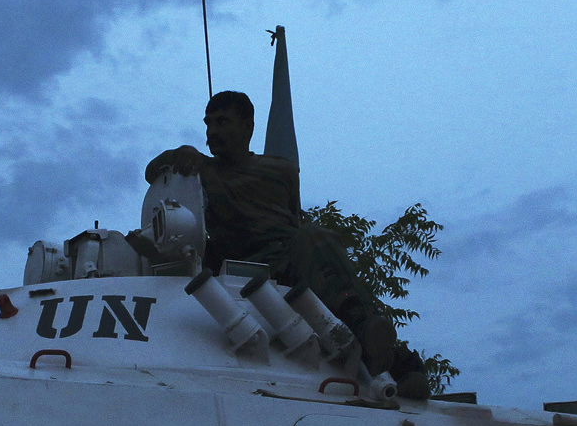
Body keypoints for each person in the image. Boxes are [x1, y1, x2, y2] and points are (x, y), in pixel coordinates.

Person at [146, 92, 425, 392]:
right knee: (310, 241)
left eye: (223, 122)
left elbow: (292, 218)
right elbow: (153, 173)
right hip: (245, 265)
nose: (212, 132)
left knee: (314, 239)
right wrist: (178, 153)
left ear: (248, 126)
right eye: (208, 124)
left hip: (291, 259)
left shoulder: (283, 170)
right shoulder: (202, 171)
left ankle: (393, 357)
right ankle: (388, 354)